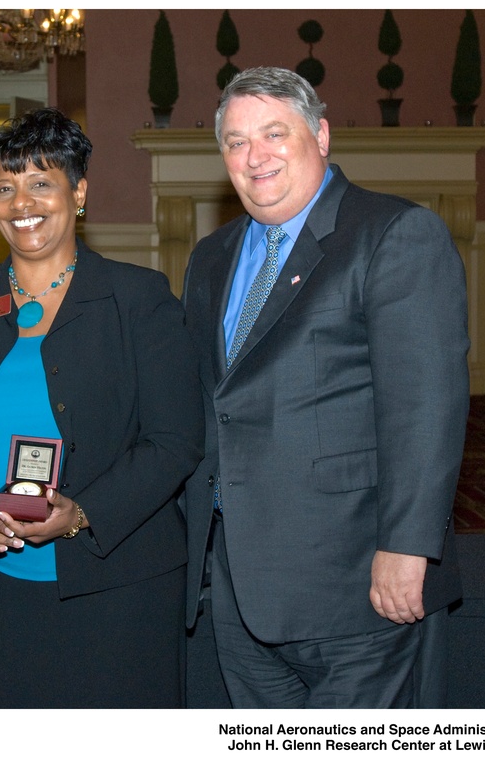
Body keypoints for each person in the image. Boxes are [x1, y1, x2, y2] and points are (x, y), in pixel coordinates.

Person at [182, 67, 469, 709]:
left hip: (357, 580)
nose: (255, 156)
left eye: (274, 133)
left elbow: (425, 407)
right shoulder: (211, 257)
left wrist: (407, 544)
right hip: (238, 585)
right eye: (235, 141)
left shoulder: (393, 234)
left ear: (321, 135)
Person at [0, 108, 204, 708]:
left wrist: (83, 512)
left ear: (78, 193)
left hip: (120, 588)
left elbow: (176, 440)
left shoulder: (138, 299)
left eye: (41, 183)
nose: (20, 202)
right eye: (4, 187)